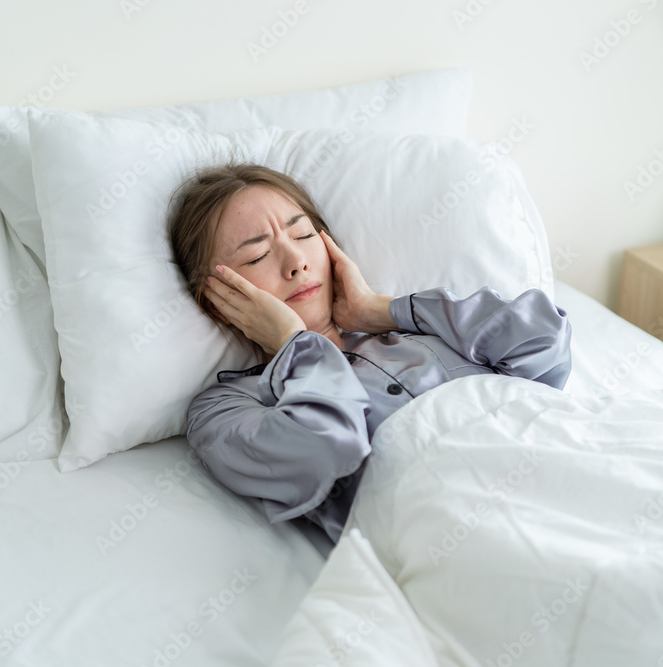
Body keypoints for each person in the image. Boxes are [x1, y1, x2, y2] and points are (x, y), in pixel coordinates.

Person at [168, 163, 573, 545]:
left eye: (305, 236)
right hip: (464, 532)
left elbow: (544, 343)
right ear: (219, 299)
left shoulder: (422, 330)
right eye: (257, 256)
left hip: (559, 464)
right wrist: (296, 344)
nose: (296, 263)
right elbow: (326, 453)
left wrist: (382, 309)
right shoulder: (225, 410)